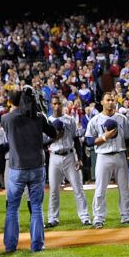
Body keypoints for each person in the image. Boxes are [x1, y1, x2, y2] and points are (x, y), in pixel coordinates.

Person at [0, 88, 57, 252]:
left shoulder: (7, 118)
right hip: (37, 166)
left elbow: (9, 124)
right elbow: (53, 132)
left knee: (12, 208)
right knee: (36, 206)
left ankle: (10, 246)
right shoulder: (38, 117)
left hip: (17, 167)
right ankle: (37, 245)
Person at [86, 91, 129, 228]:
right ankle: (98, 218)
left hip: (120, 155)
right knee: (100, 189)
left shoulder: (122, 119)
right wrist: (104, 137)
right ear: (102, 102)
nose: (110, 102)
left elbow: (127, 139)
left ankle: (127, 216)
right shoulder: (95, 120)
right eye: (107, 100)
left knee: (125, 189)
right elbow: (89, 141)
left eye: (112, 100)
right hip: (103, 156)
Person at [46, 95, 91, 228]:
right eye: (54, 104)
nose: (57, 106)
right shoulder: (47, 121)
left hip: (70, 156)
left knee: (78, 188)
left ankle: (84, 216)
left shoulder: (69, 120)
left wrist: (80, 159)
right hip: (54, 156)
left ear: (62, 105)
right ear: (51, 105)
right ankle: (53, 218)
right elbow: (43, 142)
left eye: (59, 103)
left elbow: (76, 140)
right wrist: (55, 138)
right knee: (53, 190)